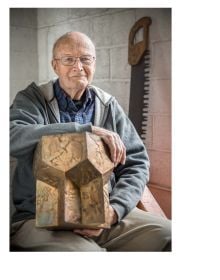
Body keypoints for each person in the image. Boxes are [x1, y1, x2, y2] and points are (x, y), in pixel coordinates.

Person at [10, 31, 171, 251]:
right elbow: (12, 136)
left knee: (170, 235)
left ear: (94, 63)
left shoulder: (108, 105)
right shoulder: (32, 99)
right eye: (68, 59)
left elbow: (137, 163)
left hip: (103, 215)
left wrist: (114, 210)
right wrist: (85, 129)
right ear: (55, 65)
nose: (78, 66)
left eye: (85, 59)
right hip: (39, 219)